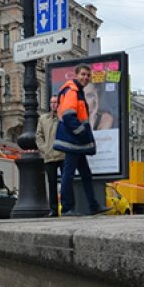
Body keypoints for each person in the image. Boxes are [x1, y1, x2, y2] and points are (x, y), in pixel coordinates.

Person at [54, 64, 107, 217]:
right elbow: (68, 116)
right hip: (73, 140)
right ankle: (66, 208)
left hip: (76, 141)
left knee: (85, 174)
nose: (85, 77)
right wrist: (82, 133)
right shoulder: (72, 90)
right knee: (68, 174)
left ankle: (93, 206)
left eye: (88, 75)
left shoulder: (76, 91)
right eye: (83, 74)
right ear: (76, 75)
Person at [35, 95, 64, 217]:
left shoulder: (63, 118)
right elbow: (38, 136)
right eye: (52, 102)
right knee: (51, 184)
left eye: (56, 102)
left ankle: (67, 208)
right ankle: (53, 210)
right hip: (49, 156)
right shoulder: (43, 118)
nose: (53, 104)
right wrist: (44, 149)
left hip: (63, 155)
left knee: (66, 183)